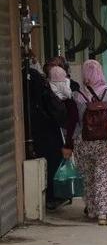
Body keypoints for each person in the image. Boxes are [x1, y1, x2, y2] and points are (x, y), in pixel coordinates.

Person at [67, 60, 107, 226]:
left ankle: (92, 209)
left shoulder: (76, 96)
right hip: (106, 143)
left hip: (83, 142)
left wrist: (68, 145)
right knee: (105, 176)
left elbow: (72, 122)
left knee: (89, 177)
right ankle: (103, 213)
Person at [25, 54, 68, 210]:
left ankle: (50, 196)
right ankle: (53, 196)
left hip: (37, 134)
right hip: (49, 133)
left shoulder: (31, 93)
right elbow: (59, 113)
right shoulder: (44, 89)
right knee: (52, 164)